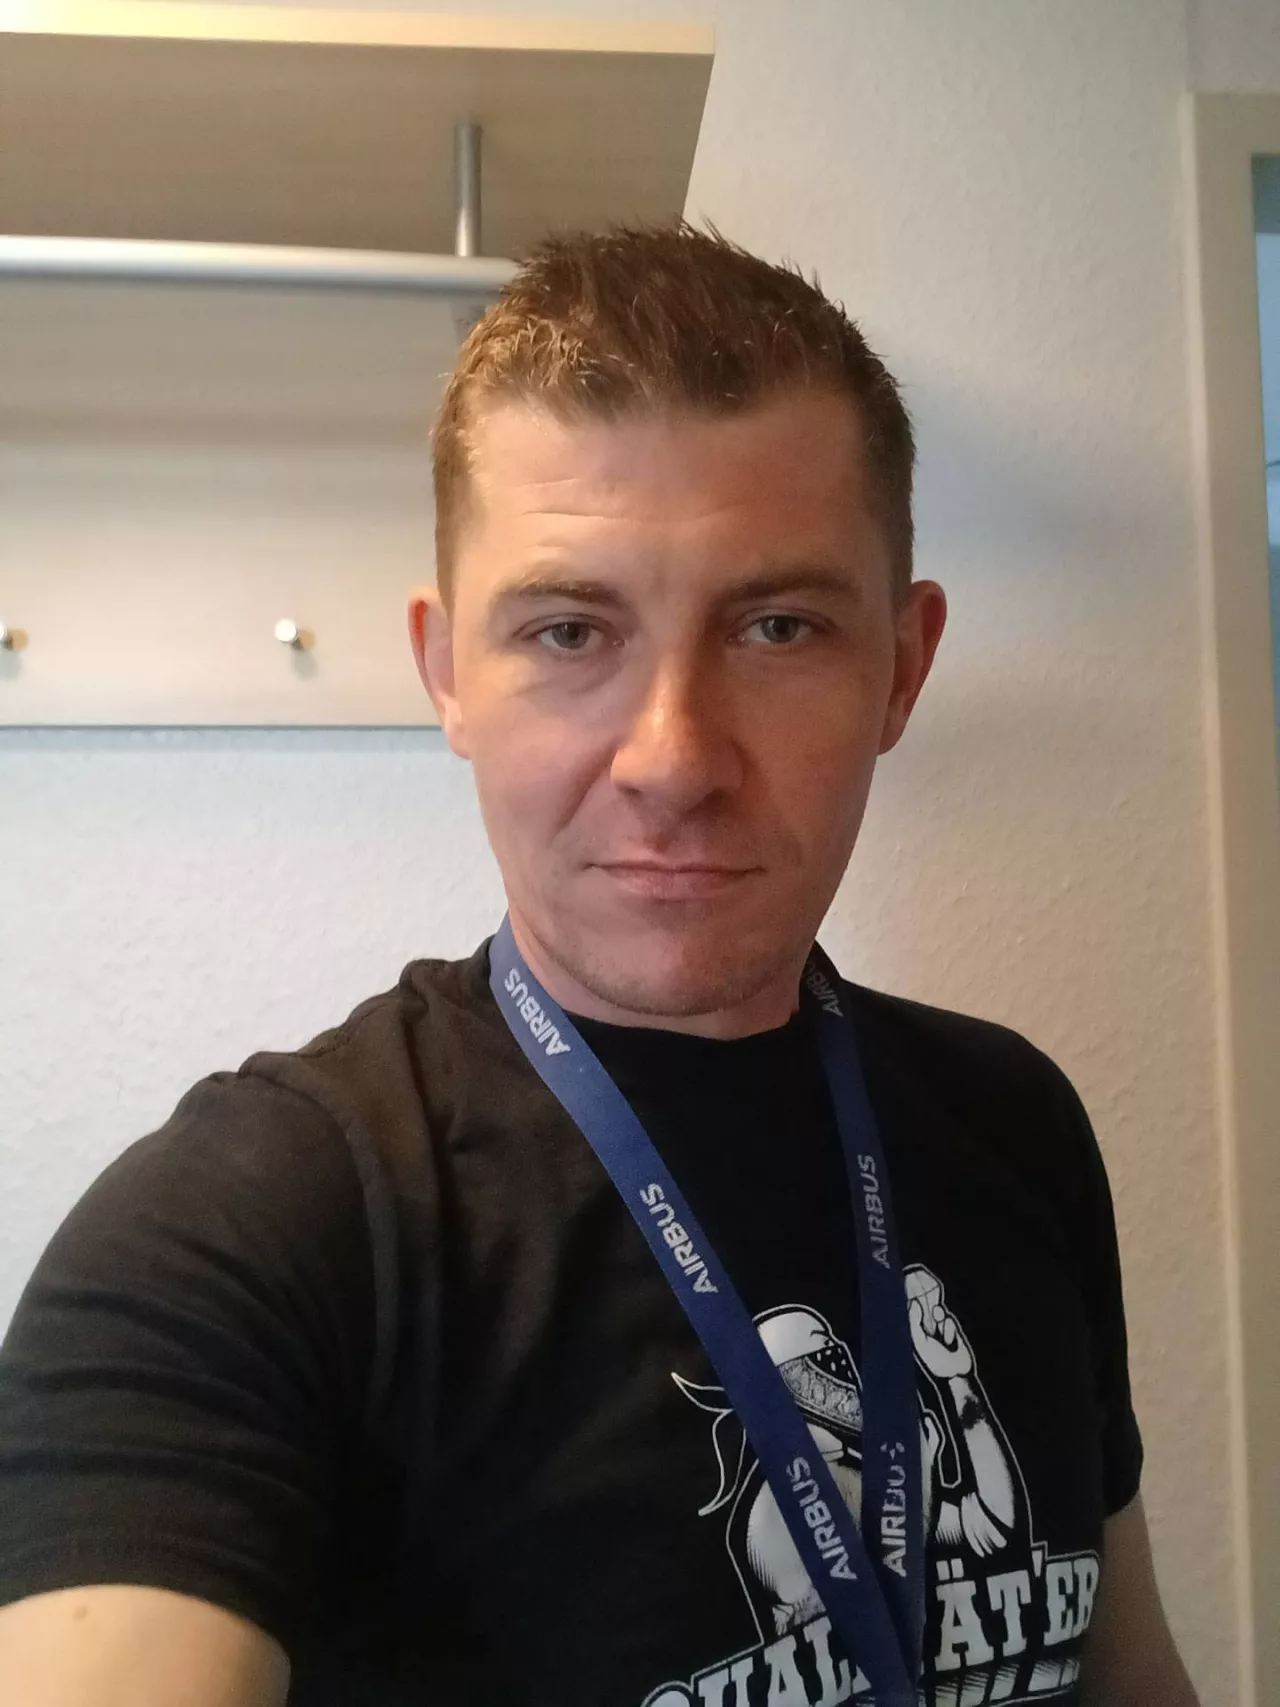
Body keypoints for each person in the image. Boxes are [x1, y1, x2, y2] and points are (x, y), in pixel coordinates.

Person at [0, 223, 1198, 1707]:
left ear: (902, 665)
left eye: (777, 626)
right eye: (570, 631)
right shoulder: (249, 1234)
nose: (673, 760)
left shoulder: (1017, 1122)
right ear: (448, 672)